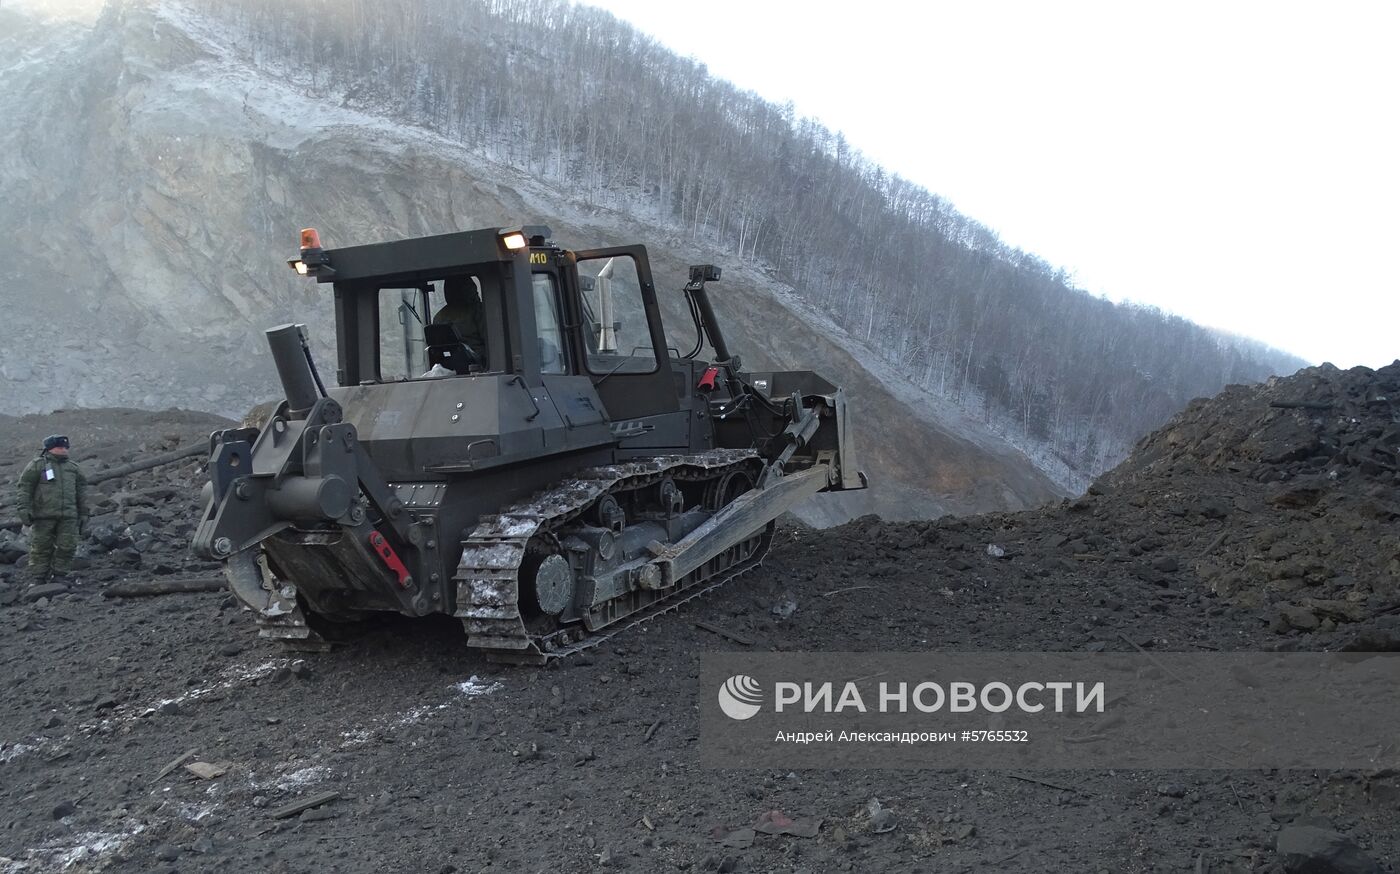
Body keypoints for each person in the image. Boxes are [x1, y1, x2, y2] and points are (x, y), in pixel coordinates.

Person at [15, 435, 88, 584]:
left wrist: (84, 513)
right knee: (41, 547)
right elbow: (25, 488)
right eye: (60, 447)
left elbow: (82, 493)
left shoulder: (73, 468)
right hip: (43, 515)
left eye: (65, 447)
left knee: (67, 546)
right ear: (49, 448)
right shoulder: (37, 465)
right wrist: (24, 509)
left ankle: (60, 575)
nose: (63, 450)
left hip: (68, 515)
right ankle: (39, 578)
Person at [432, 276, 489, 365]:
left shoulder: (438, 317)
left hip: (449, 364)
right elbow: (492, 341)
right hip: (479, 362)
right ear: (469, 290)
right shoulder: (478, 310)